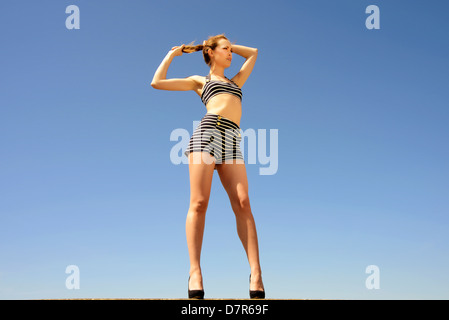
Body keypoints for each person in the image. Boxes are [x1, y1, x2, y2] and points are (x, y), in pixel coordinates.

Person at [151, 34, 264, 299]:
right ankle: (195, 272)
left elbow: (254, 53)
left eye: (231, 49)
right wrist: (171, 55)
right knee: (199, 203)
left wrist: (227, 44)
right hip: (207, 134)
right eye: (225, 49)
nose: (231, 54)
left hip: (232, 140)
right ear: (211, 53)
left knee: (243, 202)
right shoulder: (200, 81)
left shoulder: (236, 81)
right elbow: (157, 82)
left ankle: (256, 273)